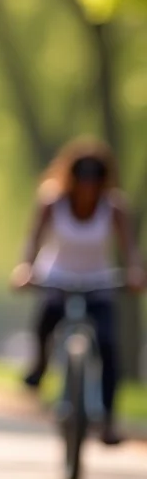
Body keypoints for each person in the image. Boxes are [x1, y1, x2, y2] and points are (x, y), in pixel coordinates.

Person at [10, 137, 145, 446]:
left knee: (109, 346)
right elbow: (33, 238)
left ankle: (108, 419)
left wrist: (136, 272)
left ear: (103, 179)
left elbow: (130, 249)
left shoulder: (114, 208)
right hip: (57, 276)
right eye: (82, 177)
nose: (88, 185)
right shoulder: (52, 201)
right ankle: (40, 368)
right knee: (45, 322)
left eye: (95, 177)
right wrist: (25, 267)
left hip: (99, 280)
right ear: (71, 175)